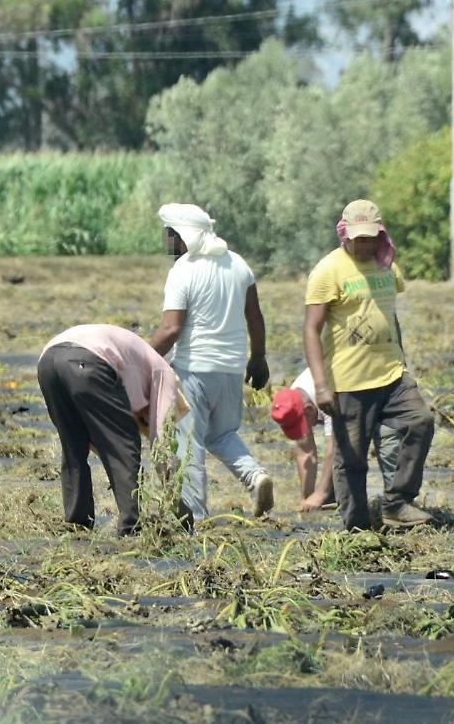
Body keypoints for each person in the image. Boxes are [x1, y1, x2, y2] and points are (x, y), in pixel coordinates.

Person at [303, 199, 435, 530]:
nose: (363, 244)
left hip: (391, 375)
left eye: (370, 237)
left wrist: (402, 360)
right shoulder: (327, 271)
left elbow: (388, 316)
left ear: (381, 235)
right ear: (344, 234)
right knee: (352, 461)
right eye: (357, 237)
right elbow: (310, 329)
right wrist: (321, 385)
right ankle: (358, 530)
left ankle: (396, 501)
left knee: (420, 422)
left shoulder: (386, 265)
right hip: (349, 381)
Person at [150, 203, 273, 521]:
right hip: (231, 369)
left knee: (187, 441)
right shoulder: (238, 265)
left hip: (194, 370)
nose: (167, 243)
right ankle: (255, 477)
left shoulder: (184, 270)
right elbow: (255, 316)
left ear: (181, 237)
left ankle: (196, 516)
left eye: (169, 236)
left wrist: (143, 358)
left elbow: (171, 328)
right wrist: (258, 358)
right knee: (221, 434)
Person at [38, 324, 189, 536]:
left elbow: (96, 439)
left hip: (48, 363)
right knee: (125, 445)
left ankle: (77, 525)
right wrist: (177, 502)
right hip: (88, 359)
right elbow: (161, 440)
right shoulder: (165, 375)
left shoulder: (137, 367)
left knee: (73, 445)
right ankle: (131, 528)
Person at [271, 368, 403, 513]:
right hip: (348, 389)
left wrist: (321, 493)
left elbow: (334, 448)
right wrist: (307, 497)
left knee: (385, 440)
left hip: (373, 385)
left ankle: (397, 504)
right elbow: (304, 451)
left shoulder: (327, 398)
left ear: (309, 410)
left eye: (301, 425)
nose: (306, 429)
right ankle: (336, 498)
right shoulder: (292, 400)